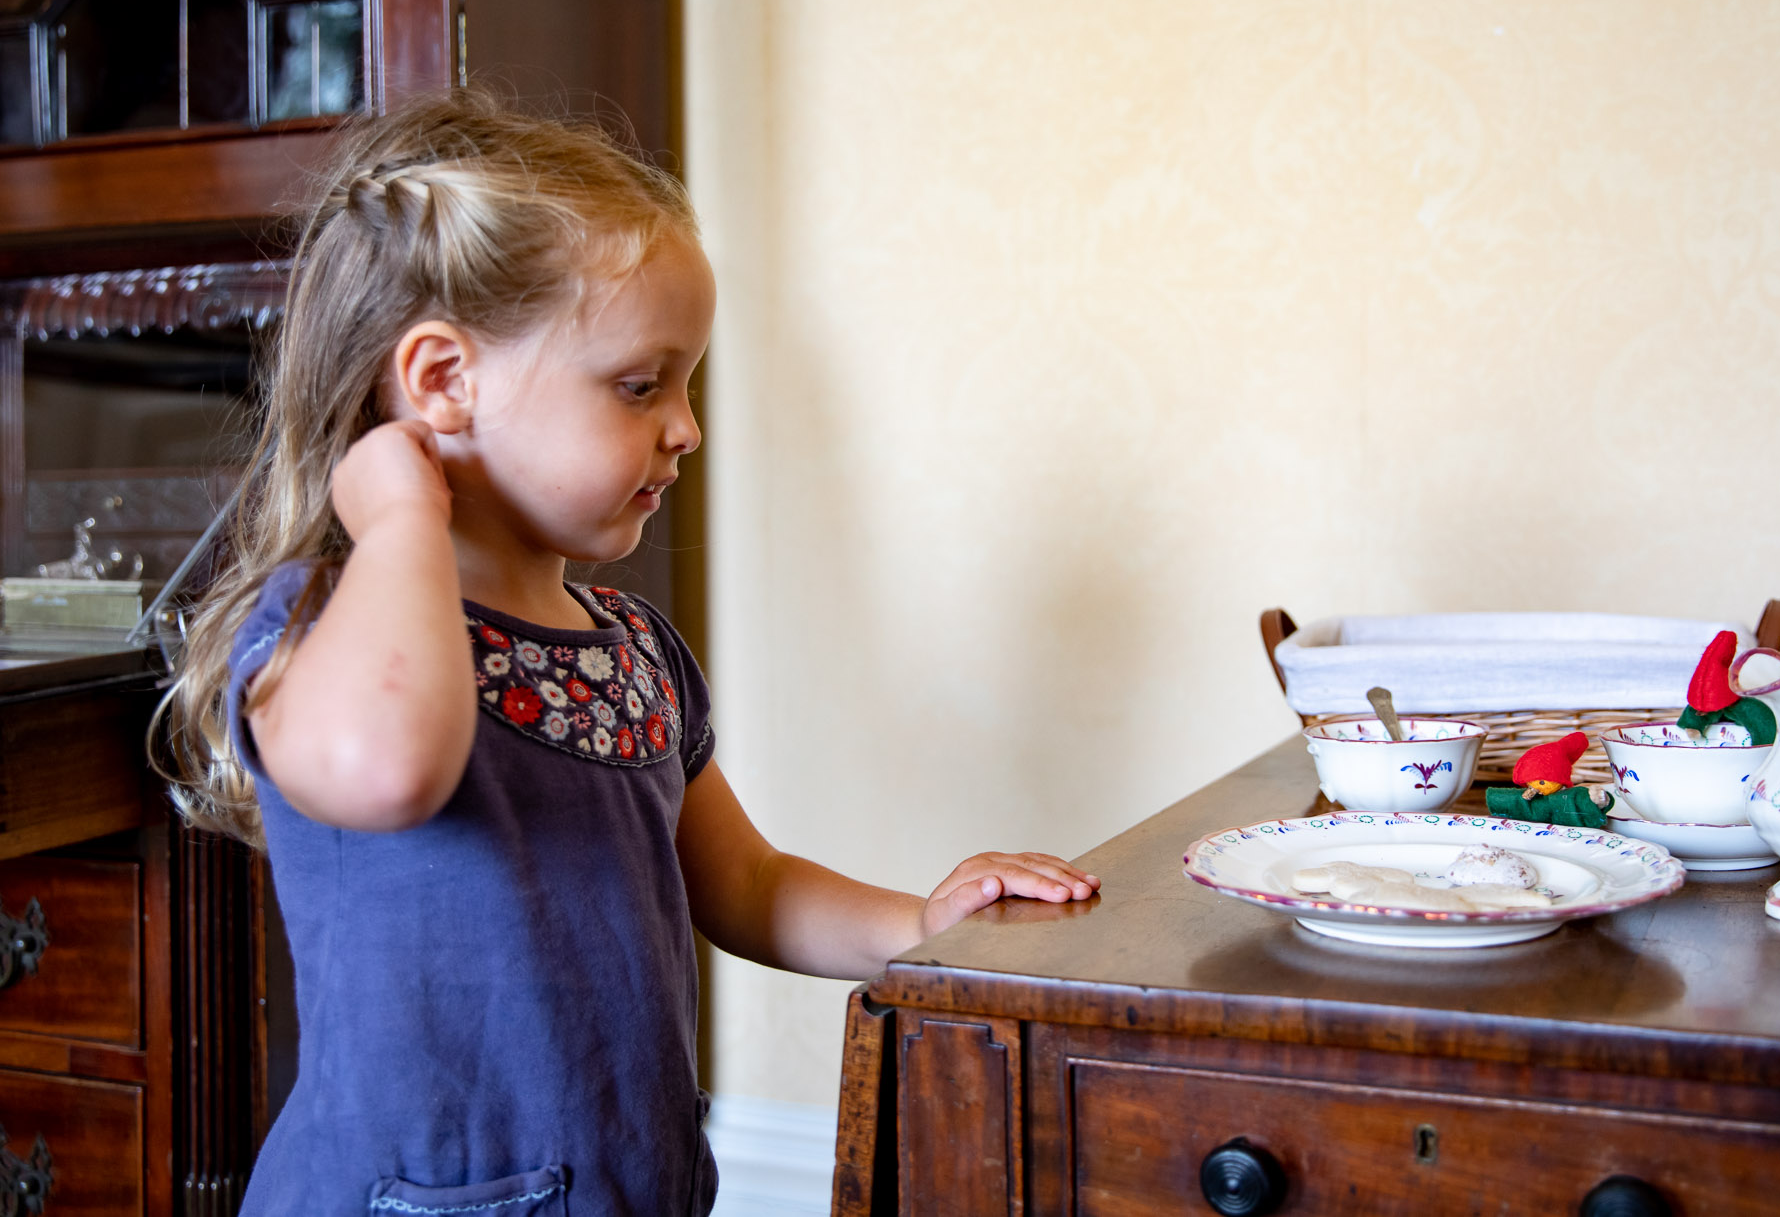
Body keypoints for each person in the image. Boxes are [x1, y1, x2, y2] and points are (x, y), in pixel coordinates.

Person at [155, 89, 1099, 1216]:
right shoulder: (319, 622)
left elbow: (743, 882)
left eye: (686, 383)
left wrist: (919, 924)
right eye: (639, 384)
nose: (686, 426)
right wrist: (401, 521)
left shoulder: (629, 648)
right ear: (444, 383)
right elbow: (387, 768)